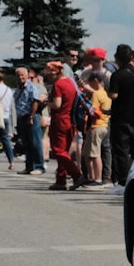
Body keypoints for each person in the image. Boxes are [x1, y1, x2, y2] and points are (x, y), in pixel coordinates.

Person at [107, 44, 134, 194]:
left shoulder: (117, 75)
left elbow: (113, 95)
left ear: (117, 58)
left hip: (120, 117)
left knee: (121, 151)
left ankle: (123, 182)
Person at [43, 61, 82, 190]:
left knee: (58, 151)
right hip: (70, 120)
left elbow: (57, 104)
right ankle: (61, 180)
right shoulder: (70, 82)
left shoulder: (58, 85)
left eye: (49, 73)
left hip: (59, 120)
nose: (47, 76)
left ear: (55, 72)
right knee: (64, 151)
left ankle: (76, 174)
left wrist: (46, 103)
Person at [80, 71, 111, 187]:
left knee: (94, 154)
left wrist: (85, 105)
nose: (89, 85)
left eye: (90, 82)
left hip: (96, 125)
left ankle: (97, 178)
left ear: (96, 81)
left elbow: (93, 111)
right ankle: (92, 176)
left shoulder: (97, 94)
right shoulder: (107, 94)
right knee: (87, 153)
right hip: (105, 125)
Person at [14, 66, 46, 175]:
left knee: (35, 142)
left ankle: (39, 167)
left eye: (22, 75)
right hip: (22, 117)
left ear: (27, 75)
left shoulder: (32, 86)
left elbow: (35, 102)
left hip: (32, 117)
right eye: (18, 75)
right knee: (26, 144)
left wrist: (31, 116)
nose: (20, 77)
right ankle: (29, 167)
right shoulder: (18, 89)